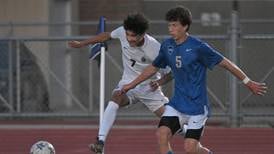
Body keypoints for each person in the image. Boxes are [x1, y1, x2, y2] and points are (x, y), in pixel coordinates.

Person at [120, 6, 267, 154]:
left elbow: (226, 63)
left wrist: (248, 82)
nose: (170, 29)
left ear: (185, 26)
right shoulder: (167, 45)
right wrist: (131, 85)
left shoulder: (198, 47)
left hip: (197, 107)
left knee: (191, 148)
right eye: (169, 25)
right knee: (162, 134)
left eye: (175, 25)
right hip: (177, 104)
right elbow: (153, 68)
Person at [68, 13, 173, 154]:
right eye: (127, 35)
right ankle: (100, 141)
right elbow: (105, 35)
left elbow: (171, 73)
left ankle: (192, 136)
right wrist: (82, 43)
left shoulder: (155, 48)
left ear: (142, 34)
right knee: (116, 96)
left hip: (149, 89)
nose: (129, 39)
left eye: (133, 36)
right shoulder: (122, 32)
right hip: (127, 83)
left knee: (173, 122)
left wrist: (159, 82)